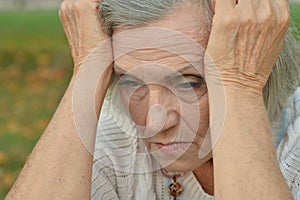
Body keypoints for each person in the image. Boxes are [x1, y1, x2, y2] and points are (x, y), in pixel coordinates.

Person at [5, 0, 300, 199]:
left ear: (259, 56)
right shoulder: (115, 138)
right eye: (131, 82)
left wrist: (239, 83)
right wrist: (87, 67)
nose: (152, 123)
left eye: (190, 82)